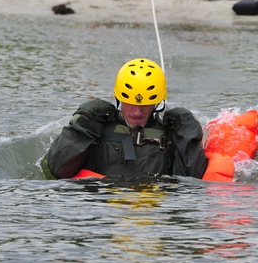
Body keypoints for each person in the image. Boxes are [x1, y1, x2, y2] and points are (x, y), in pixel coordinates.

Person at [46, 58, 209, 179]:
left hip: (154, 208)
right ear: (119, 99)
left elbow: (193, 183)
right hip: (103, 206)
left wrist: (187, 130)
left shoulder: (171, 135)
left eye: (145, 105)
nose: (137, 112)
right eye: (130, 104)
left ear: (157, 102)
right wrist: (84, 122)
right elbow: (58, 169)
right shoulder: (97, 129)